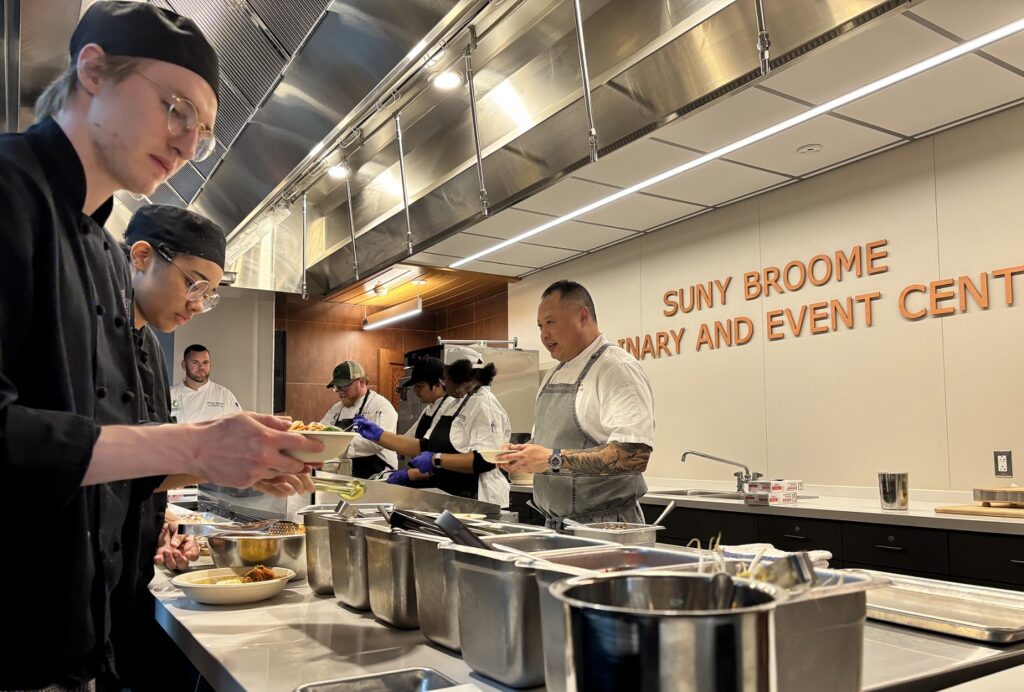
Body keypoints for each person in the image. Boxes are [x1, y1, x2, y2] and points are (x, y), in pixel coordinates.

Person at [0, 4, 321, 688]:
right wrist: (196, 446)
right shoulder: (8, 193)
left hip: (82, 642)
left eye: (202, 132)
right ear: (92, 70)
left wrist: (237, 462)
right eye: (176, 108)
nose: (185, 142)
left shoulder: (106, 259)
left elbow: (106, 453)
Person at [502, 280, 655, 528]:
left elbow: (635, 455)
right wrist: (522, 454)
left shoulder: (616, 368)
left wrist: (551, 460)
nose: (543, 335)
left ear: (583, 317)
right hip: (555, 525)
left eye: (551, 323)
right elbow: (551, 444)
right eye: (540, 326)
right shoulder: (554, 373)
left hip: (604, 527)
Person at [354, 347, 511, 506]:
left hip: (480, 499)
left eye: (445, 378)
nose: (444, 385)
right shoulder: (457, 403)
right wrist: (378, 434)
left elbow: (484, 460)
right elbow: (425, 446)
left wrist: (436, 460)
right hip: (454, 497)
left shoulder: (485, 406)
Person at [321, 360, 398, 478]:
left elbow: (377, 443)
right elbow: (321, 431)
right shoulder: (336, 409)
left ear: (361, 382)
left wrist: (337, 444)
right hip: (348, 475)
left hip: (378, 475)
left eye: (344, 387)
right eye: (337, 387)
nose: (340, 392)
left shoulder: (380, 406)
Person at [169, 344, 243, 422]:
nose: (201, 367)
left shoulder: (224, 395)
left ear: (210, 365)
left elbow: (241, 426)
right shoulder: (170, 395)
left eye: (205, 362)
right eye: (195, 362)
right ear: (183, 365)